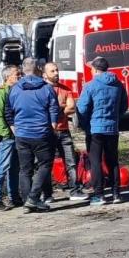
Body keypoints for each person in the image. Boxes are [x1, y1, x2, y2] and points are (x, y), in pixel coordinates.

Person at [5, 58, 60, 212]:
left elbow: (8, 111)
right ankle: (33, 198)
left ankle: (27, 203)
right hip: (41, 133)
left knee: (25, 169)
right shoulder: (46, 88)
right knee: (45, 165)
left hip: (22, 134)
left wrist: (14, 128)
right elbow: (54, 108)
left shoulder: (14, 89)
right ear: (38, 69)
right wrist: (53, 125)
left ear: (23, 70)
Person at [77, 56, 129, 206]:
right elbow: (124, 106)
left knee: (95, 162)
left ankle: (99, 195)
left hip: (94, 129)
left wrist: (85, 125)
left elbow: (82, 109)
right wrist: (115, 118)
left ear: (94, 69)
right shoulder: (118, 85)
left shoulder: (90, 86)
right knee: (113, 161)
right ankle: (116, 193)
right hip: (112, 128)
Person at [42, 62, 88, 202]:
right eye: (52, 71)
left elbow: (72, 108)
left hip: (63, 131)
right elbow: (42, 110)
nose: (56, 73)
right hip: (47, 133)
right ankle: (47, 195)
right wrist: (62, 108)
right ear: (45, 74)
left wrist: (56, 110)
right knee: (45, 164)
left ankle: (74, 190)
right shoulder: (41, 90)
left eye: (57, 70)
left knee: (71, 162)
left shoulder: (65, 89)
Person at [0, 65, 22, 210]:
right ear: (8, 76)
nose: (20, 77)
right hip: (5, 137)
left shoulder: (16, 92)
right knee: (1, 167)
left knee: (14, 168)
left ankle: (14, 197)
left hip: (15, 136)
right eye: (17, 74)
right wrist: (7, 133)